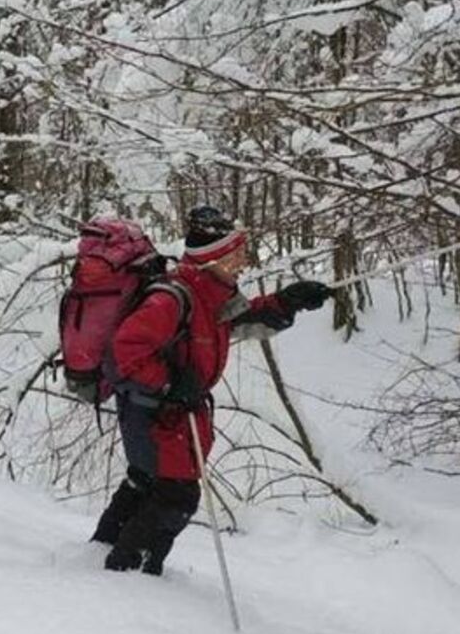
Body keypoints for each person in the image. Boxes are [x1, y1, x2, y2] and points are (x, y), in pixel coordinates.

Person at [91, 205, 332, 574]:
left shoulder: (210, 294)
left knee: (147, 482)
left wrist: (285, 304)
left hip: (165, 413)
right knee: (176, 495)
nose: (243, 262)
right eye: (236, 255)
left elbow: (236, 323)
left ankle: (102, 555)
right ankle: (128, 575)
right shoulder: (173, 298)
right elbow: (124, 354)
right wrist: (171, 383)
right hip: (156, 413)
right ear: (213, 259)